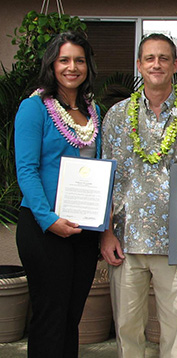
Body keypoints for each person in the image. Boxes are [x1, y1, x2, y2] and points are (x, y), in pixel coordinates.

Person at [100, 33, 177, 358]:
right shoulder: (117, 117)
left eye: (164, 58)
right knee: (126, 328)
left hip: (176, 244)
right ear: (139, 65)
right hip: (125, 239)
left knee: (176, 328)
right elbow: (106, 178)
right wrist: (106, 233)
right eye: (149, 58)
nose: (156, 64)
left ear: (176, 65)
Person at [14, 31, 100, 357]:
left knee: (71, 317)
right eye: (64, 60)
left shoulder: (94, 112)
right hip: (44, 228)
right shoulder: (33, 108)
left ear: (87, 66)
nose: (72, 67)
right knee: (50, 317)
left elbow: (98, 167)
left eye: (79, 60)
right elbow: (27, 170)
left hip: (83, 229)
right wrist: (48, 219)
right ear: (51, 64)